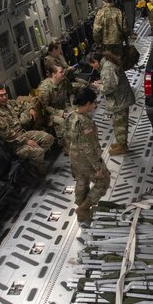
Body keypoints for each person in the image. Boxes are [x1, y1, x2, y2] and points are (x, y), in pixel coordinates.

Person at [0, 83, 54, 176]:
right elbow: (8, 135)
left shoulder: (5, 103)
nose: (4, 97)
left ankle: (32, 162)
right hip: (11, 145)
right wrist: (26, 141)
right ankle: (35, 164)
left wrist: (30, 109)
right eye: (0, 95)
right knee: (38, 152)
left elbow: (21, 103)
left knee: (49, 138)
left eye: (5, 94)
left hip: (20, 135)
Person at [66, 87, 109, 225]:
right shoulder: (85, 122)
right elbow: (88, 147)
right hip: (86, 159)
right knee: (103, 181)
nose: (95, 105)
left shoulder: (71, 115)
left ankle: (81, 213)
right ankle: (83, 209)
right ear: (88, 103)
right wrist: (97, 166)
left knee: (81, 181)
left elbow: (67, 136)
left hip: (74, 155)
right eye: (94, 103)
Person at [87, 49, 135, 155]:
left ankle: (122, 146)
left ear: (96, 61)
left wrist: (99, 86)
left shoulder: (107, 68)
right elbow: (112, 81)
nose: (93, 67)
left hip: (120, 101)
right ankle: (121, 142)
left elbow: (109, 87)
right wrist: (102, 82)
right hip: (120, 99)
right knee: (118, 122)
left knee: (120, 124)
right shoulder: (107, 63)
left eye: (92, 65)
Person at [35, 63, 73, 149]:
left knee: (76, 114)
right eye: (61, 72)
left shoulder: (64, 80)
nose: (63, 73)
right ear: (53, 74)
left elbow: (71, 93)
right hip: (50, 114)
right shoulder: (45, 87)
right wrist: (60, 113)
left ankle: (77, 139)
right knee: (62, 121)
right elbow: (45, 107)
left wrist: (73, 105)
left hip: (63, 106)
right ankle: (68, 148)